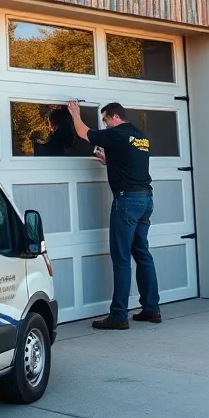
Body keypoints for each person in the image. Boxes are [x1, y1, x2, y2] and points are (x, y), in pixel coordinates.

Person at [68, 100, 161, 330]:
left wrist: (75, 113)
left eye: (106, 121)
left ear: (115, 117)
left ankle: (119, 315)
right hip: (145, 199)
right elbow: (130, 163)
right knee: (142, 254)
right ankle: (151, 308)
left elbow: (82, 132)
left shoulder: (116, 134)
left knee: (121, 258)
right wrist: (107, 161)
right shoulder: (140, 136)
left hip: (127, 201)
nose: (105, 126)